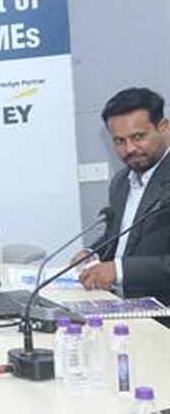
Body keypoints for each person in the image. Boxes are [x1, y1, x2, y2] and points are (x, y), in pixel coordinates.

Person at [75, 88, 170, 305]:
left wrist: (119, 270)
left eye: (138, 137)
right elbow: (117, 237)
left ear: (163, 127)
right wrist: (93, 253)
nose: (129, 149)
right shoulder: (121, 182)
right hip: (118, 305)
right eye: (119, 141)